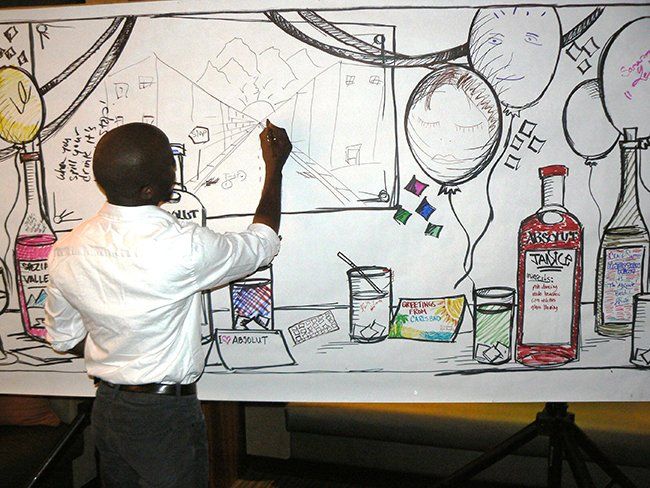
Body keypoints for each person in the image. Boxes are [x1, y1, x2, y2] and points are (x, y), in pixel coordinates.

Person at [44, 120, 292, 487]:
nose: (174, 172)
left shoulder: (66, 249)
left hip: (107, 408)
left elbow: (62, 337)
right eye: (169, 165)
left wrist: (119, 342)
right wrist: (275, 168)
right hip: (162, 416)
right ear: (149, 188)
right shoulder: (182, 246)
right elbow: (262, 243)